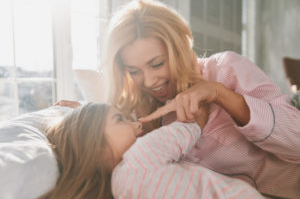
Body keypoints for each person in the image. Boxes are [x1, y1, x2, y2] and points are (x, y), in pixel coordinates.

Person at [58, 0, 300, 198]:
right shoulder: (142, 118)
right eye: (134, 71)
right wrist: (85, 115)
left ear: (179, 48)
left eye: (157, 64)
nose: (150, 81)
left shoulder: (226, 69)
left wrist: (220, 94)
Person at [41, 102, 263, 199]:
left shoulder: (120, 189)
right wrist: (200, 111)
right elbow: (186, 130)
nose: (137, 124)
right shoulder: (140, 156)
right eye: (121, 120)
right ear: (95, 145)